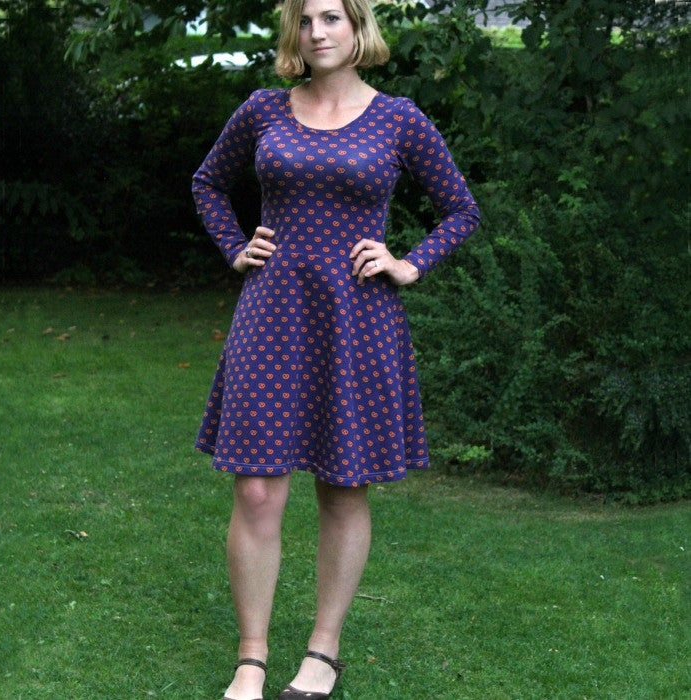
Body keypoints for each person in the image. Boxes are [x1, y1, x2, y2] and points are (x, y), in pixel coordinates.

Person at [191, 1, 480, 698]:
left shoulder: (399, 119)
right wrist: (235, 246)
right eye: (304, 20)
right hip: (272, 314)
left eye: (331, 18)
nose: (316, 32)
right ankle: (252, 658)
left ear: (357, 27)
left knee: (343, 486)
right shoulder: (263, 109)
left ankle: (323, 651)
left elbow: (461, 209)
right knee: (256, 489)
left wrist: (408, 263)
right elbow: (207, 182)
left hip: (356, 319)